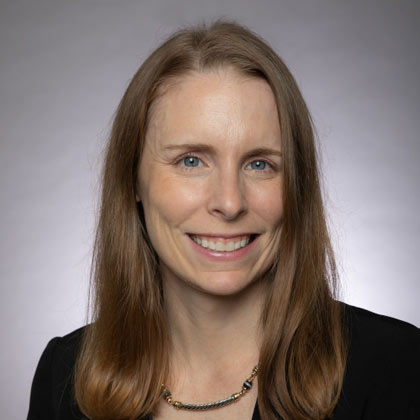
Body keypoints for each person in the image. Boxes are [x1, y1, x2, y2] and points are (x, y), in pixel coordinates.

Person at [27, 20, 420, 420]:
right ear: (133, 180)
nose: (230, 202)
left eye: (260, 164)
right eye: (191, 161)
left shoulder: (398, 366)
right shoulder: (66, 376)